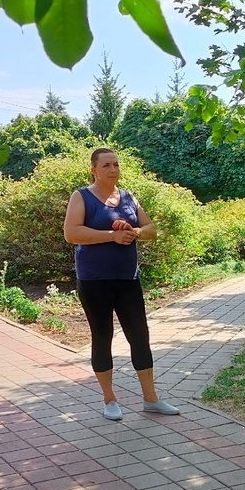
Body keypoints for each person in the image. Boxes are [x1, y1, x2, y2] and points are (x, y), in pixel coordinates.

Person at [63, 147, 180, 421]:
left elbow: (151, 230)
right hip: (94, 281)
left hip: (127, 279)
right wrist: (110, 236)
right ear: (94, 169)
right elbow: (72, 233)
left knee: (140, 336)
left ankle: (151, 399)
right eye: (106, 165)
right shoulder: (81, 197)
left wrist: (134, 231)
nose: (113, 169)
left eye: (116, 164)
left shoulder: (128, 197)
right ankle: (110, 400)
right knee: (102, 336)